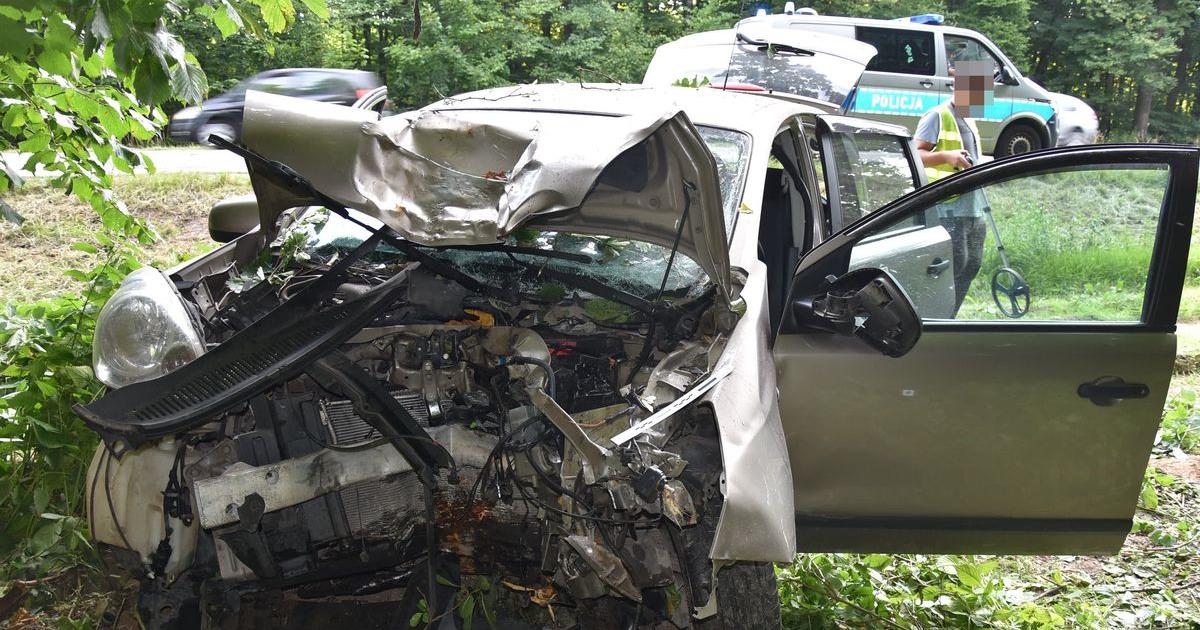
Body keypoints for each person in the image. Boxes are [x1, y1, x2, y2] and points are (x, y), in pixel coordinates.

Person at [914, 60, 993, 315]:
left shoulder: (970, 119)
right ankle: (937, 317)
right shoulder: (937, 115)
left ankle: (951, 316)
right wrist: (947, 157)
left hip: (974, 205)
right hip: (949, 204)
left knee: (972, 264)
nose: (981, 99)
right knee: (955, 263)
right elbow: (916, 154)